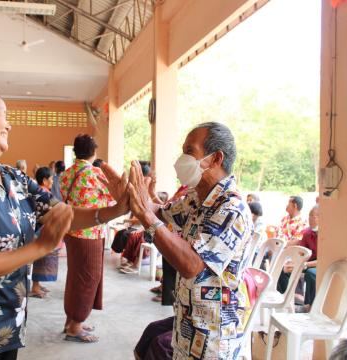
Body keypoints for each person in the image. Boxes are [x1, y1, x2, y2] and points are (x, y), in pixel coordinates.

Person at [0, 86, 129, 359]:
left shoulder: (12, 178)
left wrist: (116, 209)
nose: (9, 124)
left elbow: (63, 214)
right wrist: (40, 247)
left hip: (9, 325)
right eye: (3, 114)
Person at [129, 122, 253, 359]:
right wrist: (131, 198)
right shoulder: (197, 199)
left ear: (216, 158)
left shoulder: (231, 208)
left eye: (190, 151)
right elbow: (160, 213)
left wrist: (144, 214)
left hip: (214, 338)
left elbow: (193, 265)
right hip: (189, 327)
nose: (182, 159)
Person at [59, 134, 114, 343]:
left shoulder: (66, 173)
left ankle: (71, 320)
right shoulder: (94, 173)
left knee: (75, 276)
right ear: (94, 151)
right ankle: (75, 326)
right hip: (90, 233)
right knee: (88, 278)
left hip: (71, 231)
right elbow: (112, 198)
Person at [277, 205, 319, 311]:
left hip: (317, 265)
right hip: (306, 263)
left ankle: (310, 306)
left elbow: (323, 260)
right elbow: (302, 252)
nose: (310, 219)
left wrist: (305, 265)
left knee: (312, 273)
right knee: (284, 269)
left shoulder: (327, 235)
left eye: (313, 216)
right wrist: (293, 262)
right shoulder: (307, 233)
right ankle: (287, 300)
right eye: (309, 216)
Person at [30, 167, 59, 298]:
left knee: (41, 259)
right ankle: (35, 287)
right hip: (40, 231)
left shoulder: (38, 192)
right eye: (51, 179)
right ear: (44, 180)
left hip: (38, 229)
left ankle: (37, 284)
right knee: (41, 259)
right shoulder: (44, 194)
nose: (52, 182)